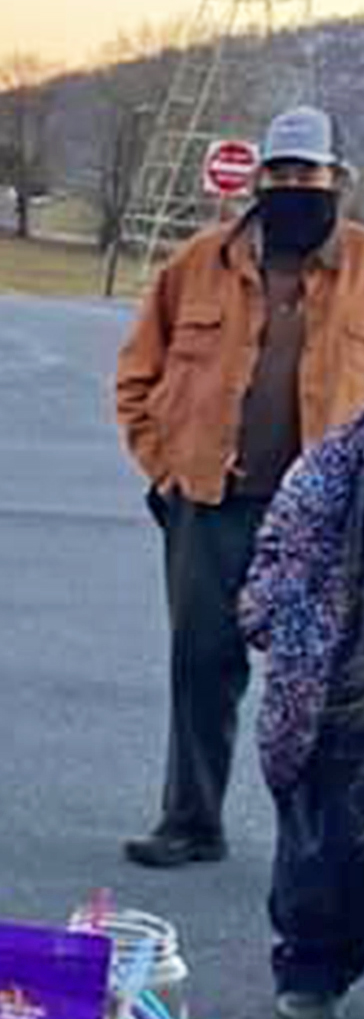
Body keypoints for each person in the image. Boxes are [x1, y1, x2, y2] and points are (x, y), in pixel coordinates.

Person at [116, 105, 364, 869]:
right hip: (213, 500)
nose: (294, 186)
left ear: (337, 180)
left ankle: (322, 843)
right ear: (261, 178)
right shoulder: (199, 263)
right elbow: (137, 373)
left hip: (331, 522)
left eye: (308, 174)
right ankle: (191, 820)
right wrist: (166, 464)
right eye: (281, 173)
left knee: (329, 684)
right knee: (201, 662)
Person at [241, 408, 364, 1019]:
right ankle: (310, 972)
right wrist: (274, 617)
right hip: (338, 682)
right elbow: (283, 544)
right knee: (325, 838)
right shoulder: (340, 457)